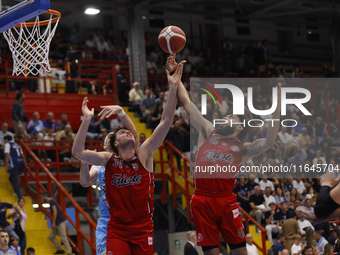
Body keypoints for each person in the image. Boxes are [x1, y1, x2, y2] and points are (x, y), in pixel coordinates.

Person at [166, 53, 282, 255]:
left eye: (231, 117)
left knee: (240, 252)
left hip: (226, 201)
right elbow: (186, 103)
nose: (226, 116)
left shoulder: (243, 148)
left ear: (239, 128)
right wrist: (174, 76)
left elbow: (269, 142)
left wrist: (278, 107)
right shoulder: (208, 131)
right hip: (201, 199)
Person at [72, 62, 185, 254]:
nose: (130, 132)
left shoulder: (144, 154)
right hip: (117, 227)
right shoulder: (108, 160)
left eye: (130, 132)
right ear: (115, 143)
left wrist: (173, 88)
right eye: (124, 132)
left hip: (143, 226)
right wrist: (86, 120)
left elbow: (166, 121)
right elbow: (78, 153)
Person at [79, 108, 138, 255]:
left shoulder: (128, 157)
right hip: (108, 220)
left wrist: (121, 112)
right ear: (105, 146)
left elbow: (134, 135)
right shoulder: (100, 163)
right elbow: (85, 182)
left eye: (115, 137)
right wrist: (84, 162)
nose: (113, 139)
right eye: (110, 138)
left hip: (130, 218)